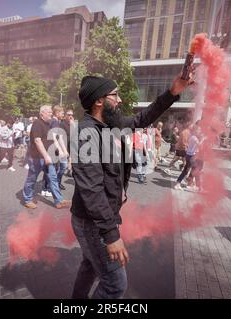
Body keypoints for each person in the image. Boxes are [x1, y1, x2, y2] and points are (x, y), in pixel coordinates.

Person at [70, 73, 192, 299]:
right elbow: (92, 190)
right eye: (115, 95)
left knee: (90, 266)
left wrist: (172, 92)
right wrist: (111, 235)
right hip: (92, 222)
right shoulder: (86, 134)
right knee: (115, 284)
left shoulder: (111, 124)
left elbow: (141, 119)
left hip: (100, 217)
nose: (120, 100)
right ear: (99, 100)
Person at [22, 105, 71, 209]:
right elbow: (37, 141)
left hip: (47, 157)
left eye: (50, 112)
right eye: (48, 112)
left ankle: (59, 201)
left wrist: (60, 151)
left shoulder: (48, 124)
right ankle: (27, 199)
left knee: (52, 178)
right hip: (37, 158)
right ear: (42, 114)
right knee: (32, 178)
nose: (51, 113)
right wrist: (46, 156)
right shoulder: (37, 123)